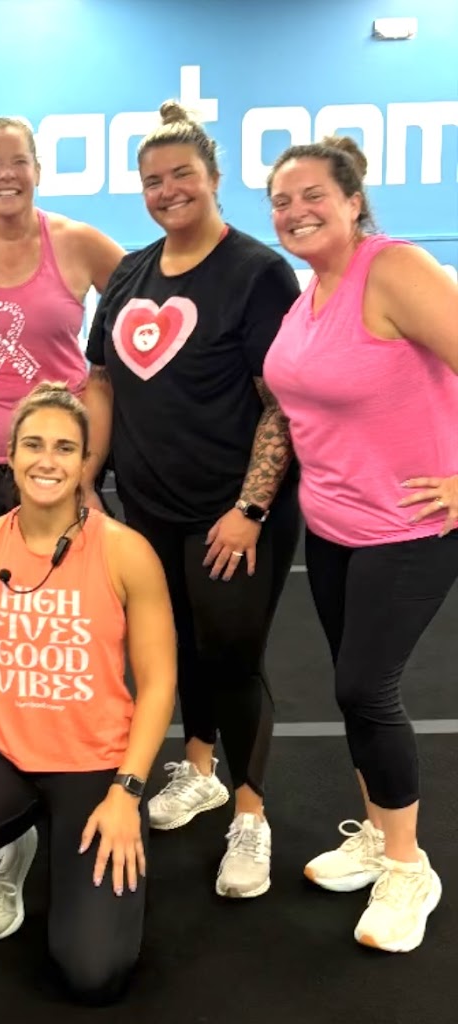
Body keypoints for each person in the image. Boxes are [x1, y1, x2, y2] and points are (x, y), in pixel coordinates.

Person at [0, 383, 177, 1006]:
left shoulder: (127, 553)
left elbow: (158, 683)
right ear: (12, 455)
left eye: (65, 448)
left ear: (85, 462)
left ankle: (64, 843)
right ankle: (12, 843)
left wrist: (128, 791)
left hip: (95, 765)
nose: (48, 460)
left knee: (93, 974)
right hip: (0, 751)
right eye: (34, 445)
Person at [82, 101, 303, 899]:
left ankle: (251, 812)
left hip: (233, 512)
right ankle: (201, 769)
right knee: (172, 649)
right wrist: (87, 478)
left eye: (182, 175)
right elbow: (101, 381)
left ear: (213, 178)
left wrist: (249, 510)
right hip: (149, 507)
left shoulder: (257, 272)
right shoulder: (131, 274)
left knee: (232, 657)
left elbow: (281, 400)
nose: (168, 191)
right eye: (153, 181)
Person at [263, 136, 458, 952]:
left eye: (312, 195)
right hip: (335, 528)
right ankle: (378, 834)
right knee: (353, 695)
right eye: (281, 201)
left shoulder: (394, 269)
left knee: (365, 688)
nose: (295, 211)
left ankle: (410, 867)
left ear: (352, 200)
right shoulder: (310, 292)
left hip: (409, 526)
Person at [0, 115, 125, 548]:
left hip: (60, 455)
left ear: (38, 171)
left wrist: (103, 380)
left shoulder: (78, 242)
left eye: (19, 162)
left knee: (66, 583)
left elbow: (146, 303)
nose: (6, 174)